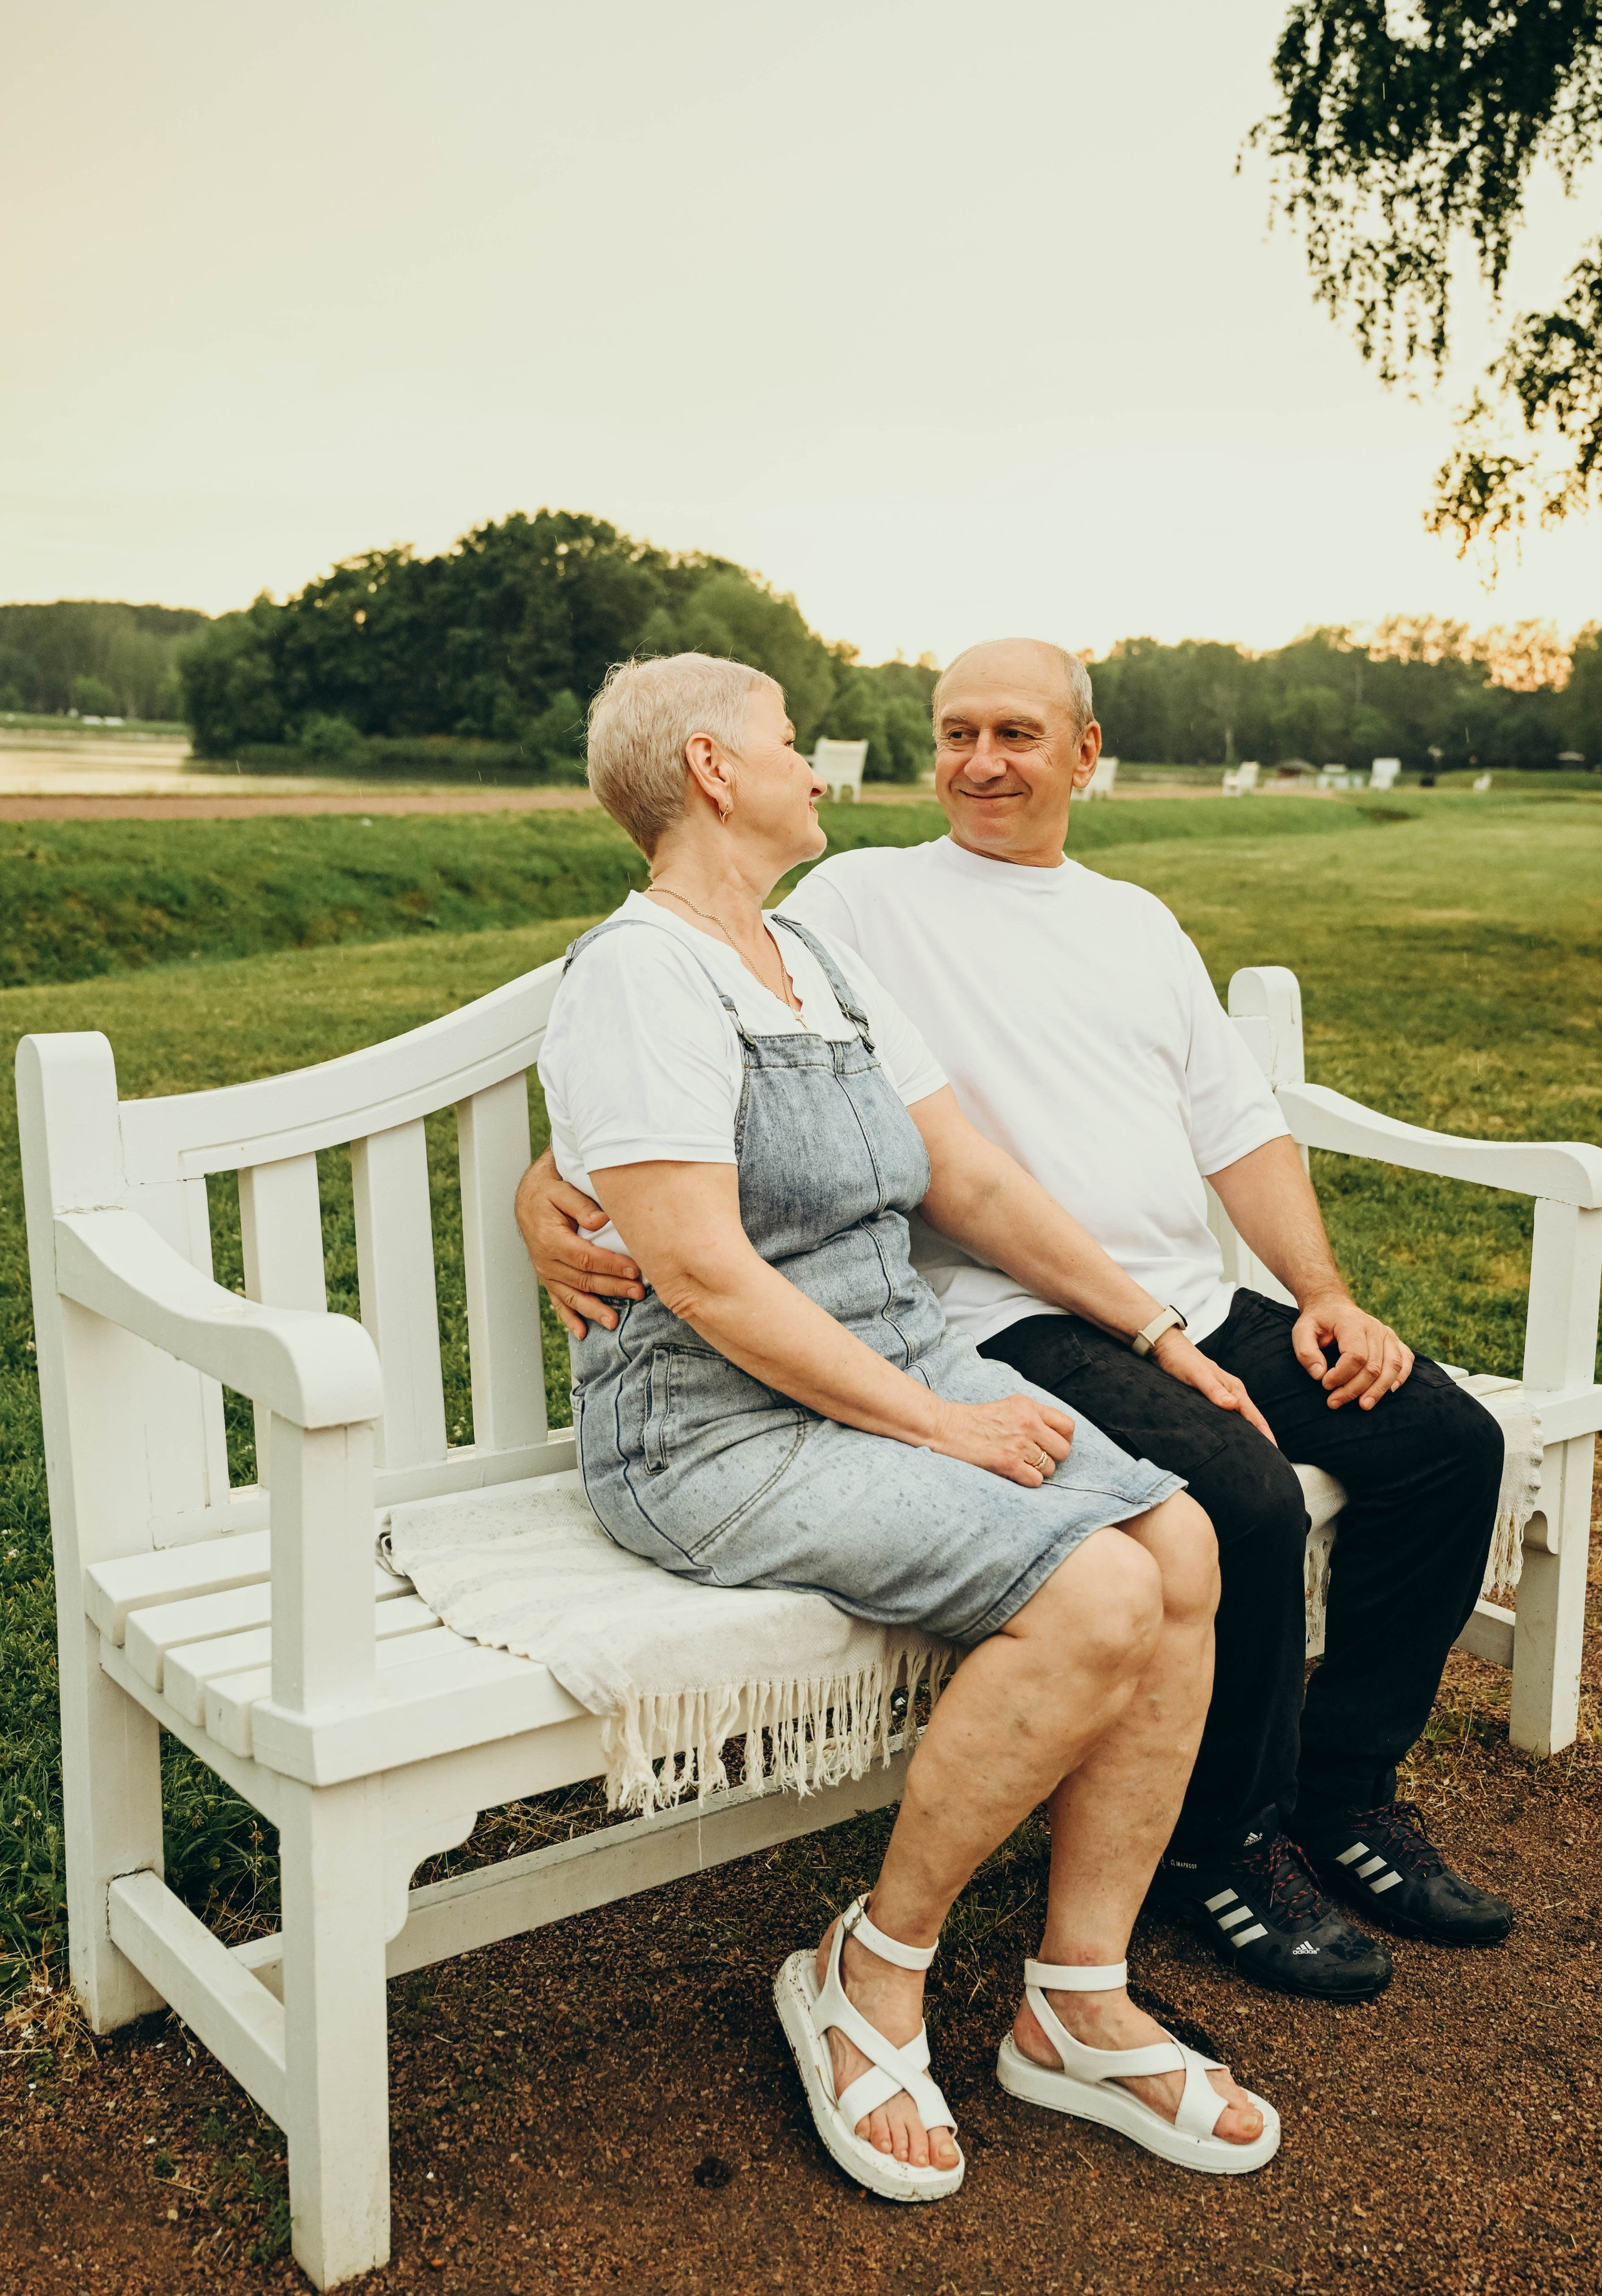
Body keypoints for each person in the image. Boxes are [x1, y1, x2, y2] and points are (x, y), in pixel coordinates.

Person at [525, 638, 1512, 2008]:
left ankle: (1290, 1832)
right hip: (909, 1351)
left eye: (1015, 732)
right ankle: (1154, 1875)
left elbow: (1034, 1157)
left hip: (1089, 1316)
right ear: (714, 766)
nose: (965, 761)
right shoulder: (840, 907)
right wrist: (553, 1181)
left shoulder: (926, 940)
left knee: (1405, 1457)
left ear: (1081, 753)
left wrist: (1233, 1316)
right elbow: (668, 1121)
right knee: (1214, 1515)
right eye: (950, 731)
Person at [531, 650, 1280, 2195]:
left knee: (1183, 1541)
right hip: (710, 1427)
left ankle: (1075, 2000)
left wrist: (1154, 1331)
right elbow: (708, 1281)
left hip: (884, 1365)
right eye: (790, 744)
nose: (818, 766)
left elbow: (977, 1184)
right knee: (1095, 1592)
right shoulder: (638, 974)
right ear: (714, 772)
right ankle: (866, 1972)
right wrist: (940, 1427)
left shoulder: (814, 958)